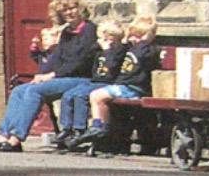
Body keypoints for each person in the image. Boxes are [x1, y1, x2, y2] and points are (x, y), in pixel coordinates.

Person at [0, 0, 98, 152]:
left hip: (82, 78)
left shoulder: (89, 30)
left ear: (80, 9)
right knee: (18, 90)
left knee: (35, 90)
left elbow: (81, 61)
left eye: (73, 8)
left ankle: (17, 137)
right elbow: (59, 58)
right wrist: (44, 74)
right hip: (62, 77)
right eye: (65, 10)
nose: (69, 13)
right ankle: (3, 134)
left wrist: (53, 75)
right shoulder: (66, 33)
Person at [68, 15, 161, 151]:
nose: (134, 40)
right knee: (91, 94)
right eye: (133, 35)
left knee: (98, 95)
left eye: (139, 36)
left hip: (135, 89)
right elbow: (112, 60)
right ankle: (97, 126)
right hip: (123, 86)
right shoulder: (129, 48)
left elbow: (141, 57)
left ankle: (101, 127)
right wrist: (124, 41)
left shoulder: (149, 50)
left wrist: (144, 41)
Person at [54, 20, 127, 149]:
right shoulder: (98, 50)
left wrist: (107, 51)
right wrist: (97, 48)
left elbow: (112, 66)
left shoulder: (119, 50)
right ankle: (66, 128)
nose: (103, 39)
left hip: (108, 82)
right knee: (69, 94)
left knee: (80, 95)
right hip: (95, 80)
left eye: (108, 36)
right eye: (101, 36)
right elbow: (88, 57)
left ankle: (79, 129)